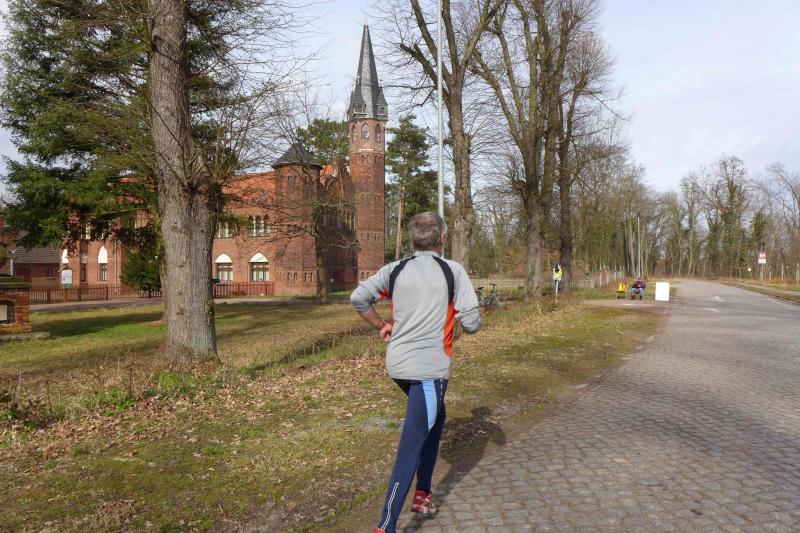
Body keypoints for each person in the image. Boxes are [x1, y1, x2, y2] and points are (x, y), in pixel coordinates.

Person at [350, 212, 481, 533]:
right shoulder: (453, 271)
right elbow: (472, 324)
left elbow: (359, 297)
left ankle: (422, 493)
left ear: (413, 239)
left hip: (398, 366)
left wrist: (381, 325)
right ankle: (385, 525)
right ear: (442, 239)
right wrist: (464, 314)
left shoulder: (395, 269)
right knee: (410, 447)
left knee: (438, 415)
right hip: (428, 370)